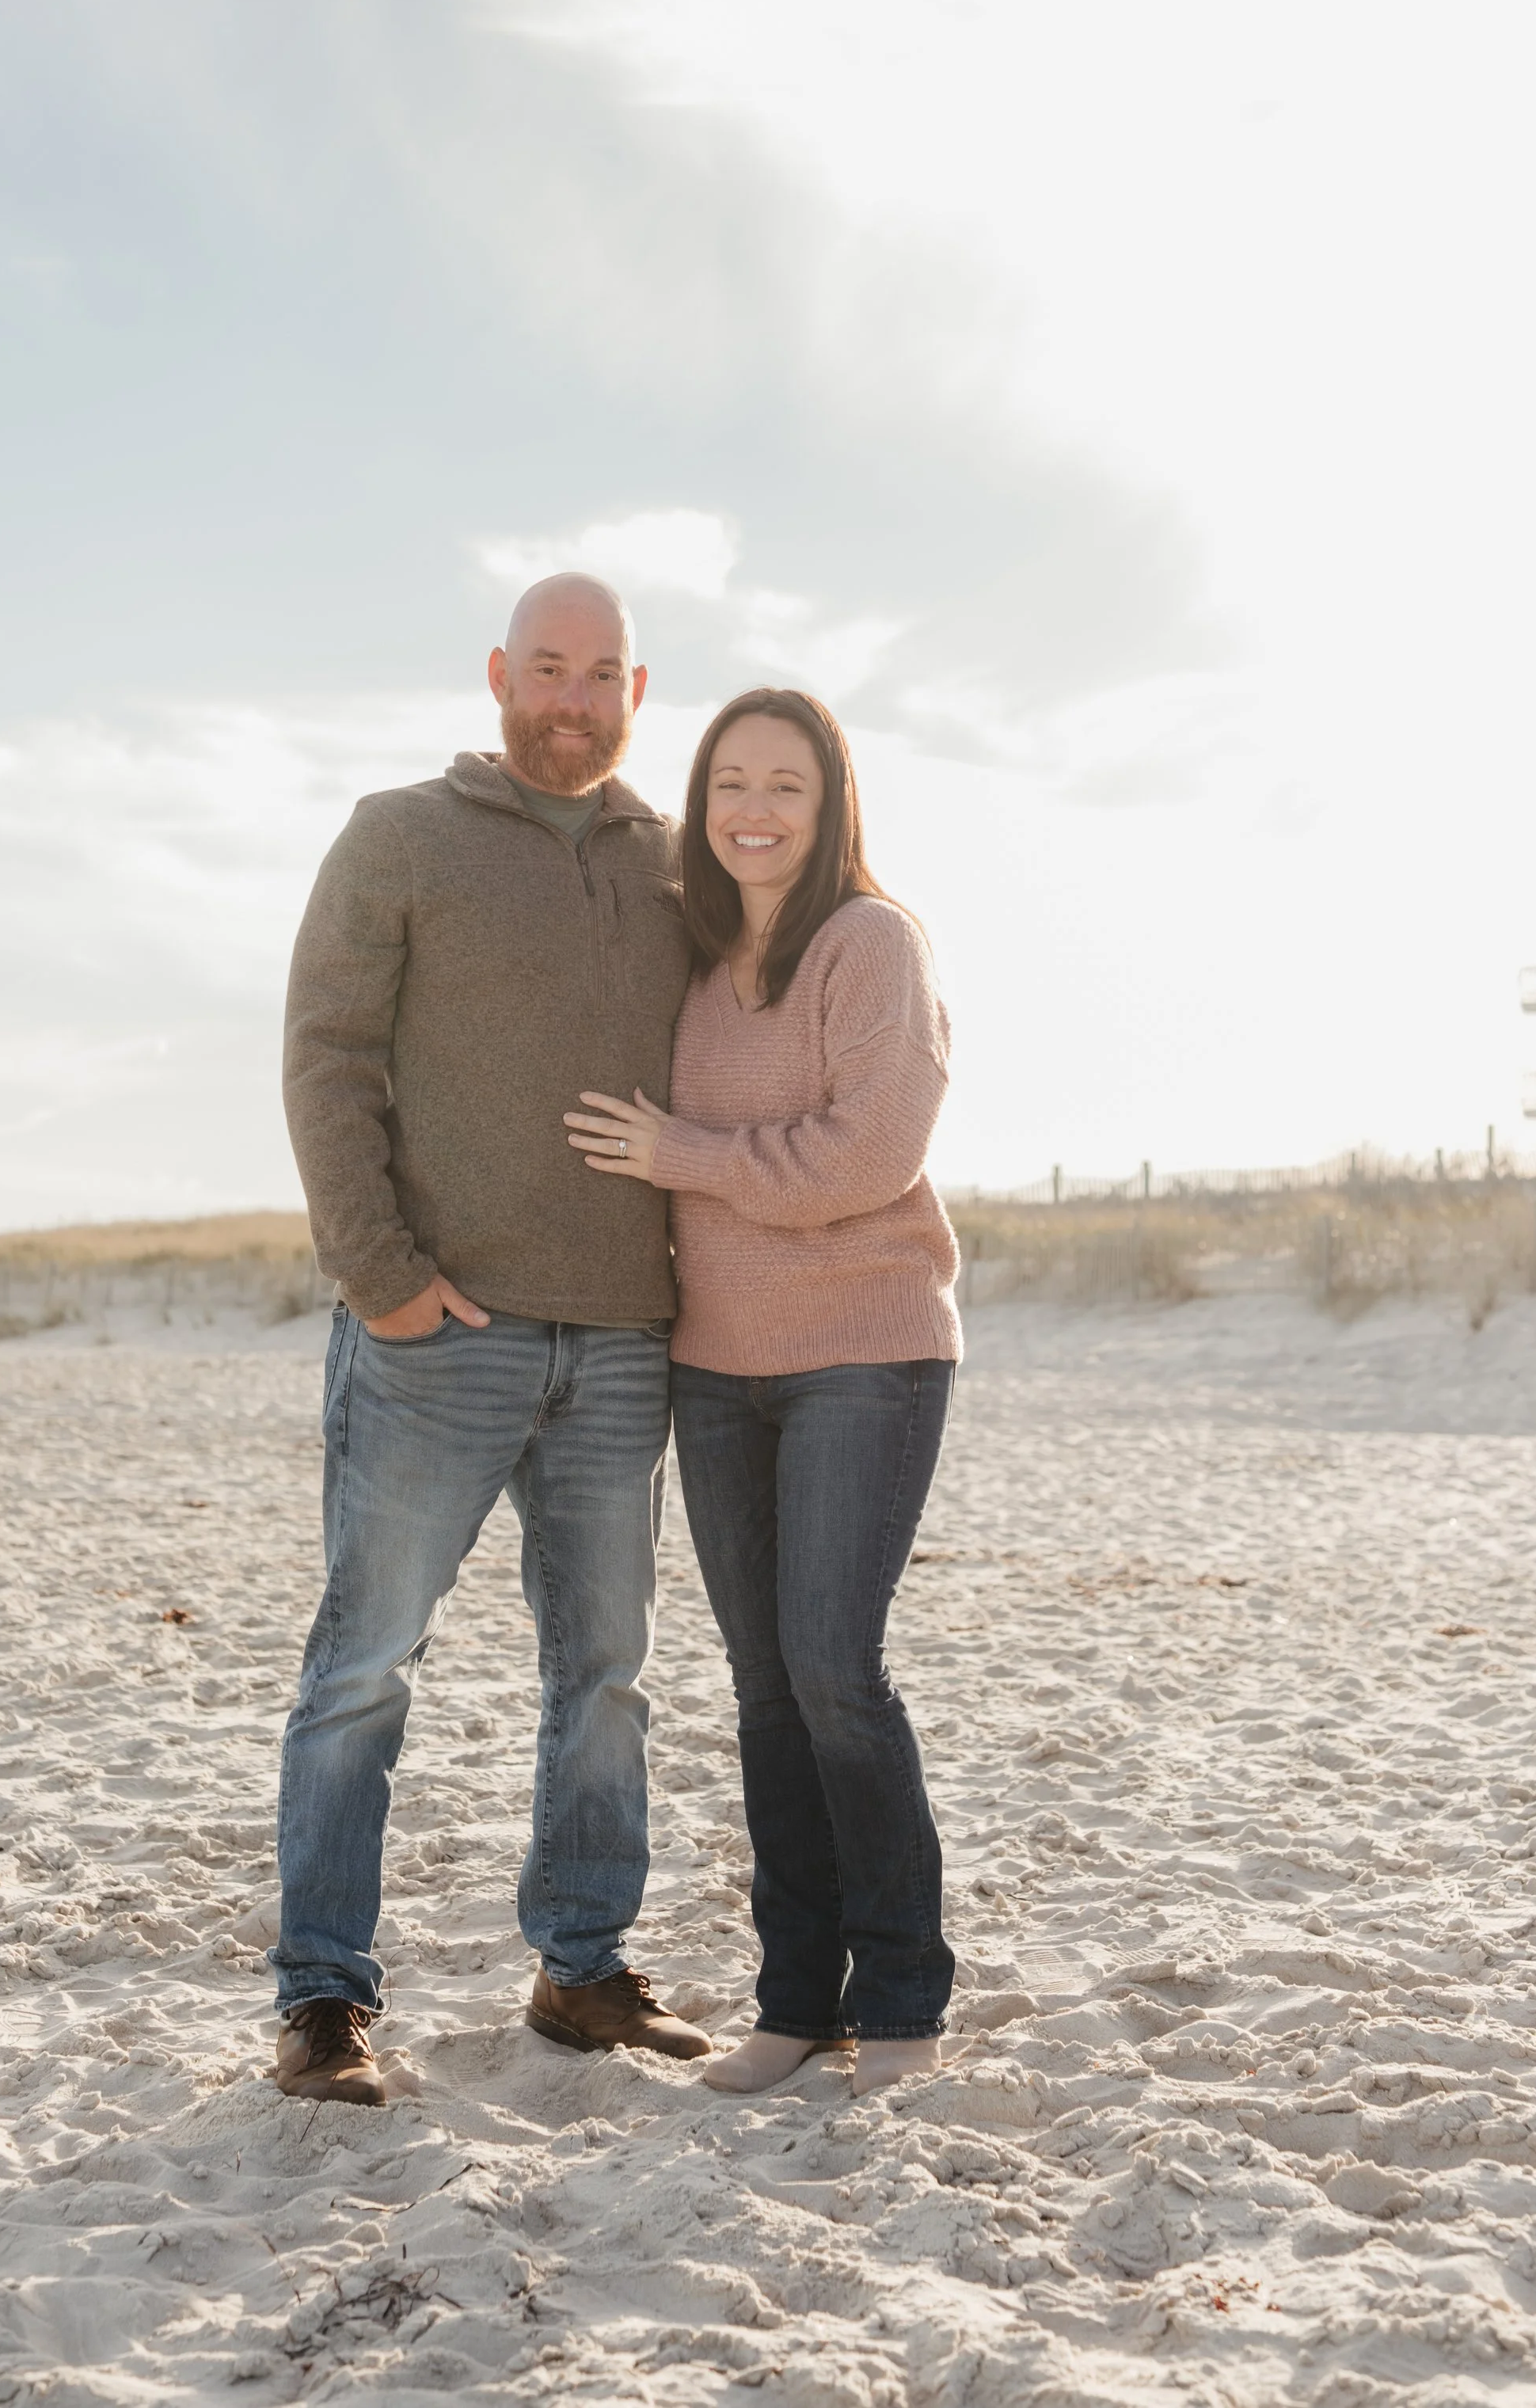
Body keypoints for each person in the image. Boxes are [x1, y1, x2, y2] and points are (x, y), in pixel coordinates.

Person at [272, 573, 714, 2103]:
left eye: (600, 673)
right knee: (364, 1665)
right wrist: (381, 1277)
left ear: (635, 692)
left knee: (606, 1674)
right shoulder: (399, 835)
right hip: (436, 1336)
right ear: (498, 674)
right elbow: (326, 1056)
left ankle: (581, 1968)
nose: (572, 698)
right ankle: (323, 1999)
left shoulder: (679, 863)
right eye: (547, 667)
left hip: (624, 1339)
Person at [565, 686, 960, 2098]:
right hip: (717, 1367)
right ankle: (798, 2003)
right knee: (765, 1693)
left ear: (830, 801)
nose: (755, 808)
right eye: (731, 780)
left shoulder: (871, 942)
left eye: (786, 784)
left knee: (836, 1671)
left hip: (864, 1348)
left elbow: (867, 1154)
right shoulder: (691, 958)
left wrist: (685, 1153)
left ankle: (902, 1997)